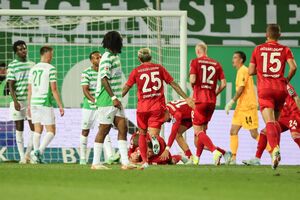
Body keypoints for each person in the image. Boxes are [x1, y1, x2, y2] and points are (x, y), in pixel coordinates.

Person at [122, 48, 194, 169]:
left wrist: (115, 98)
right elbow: (173, 84)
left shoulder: (136, 71)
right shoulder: (159, 68)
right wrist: (186, 97)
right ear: (151, 57)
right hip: (157, 108)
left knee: (143, 135)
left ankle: (145, 161)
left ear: (139, 59)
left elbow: (126, 88)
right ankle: (166, 157)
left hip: (142, 109)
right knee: (153, 138)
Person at [248, 24, 297, 169]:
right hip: (280, 88)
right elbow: (293, 67)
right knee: (275, 121)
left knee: (269, 122)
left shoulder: (258, 49)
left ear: (266, 35)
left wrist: (263, 70)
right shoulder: (285, 49)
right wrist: (286, 79)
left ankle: (275, 150)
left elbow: (251, 71)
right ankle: (275, 154)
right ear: (279, 35)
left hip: (265, 89)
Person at [91, 31, 135, 170]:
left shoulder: (114, 57)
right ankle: (95, 163)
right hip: (107, 100)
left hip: (116, 100)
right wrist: (113, 97)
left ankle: (125, 163)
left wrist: (117, 98)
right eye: (120, 40)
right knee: (104, 130)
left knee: (123, 127)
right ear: (115, 42)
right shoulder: (106, 58)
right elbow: (104, 78)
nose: (122, 42)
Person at [190, 42, 232, 165]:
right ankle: (197, 159)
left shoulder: (195, 62)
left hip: (199, 100)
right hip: (211, 101)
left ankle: (216, 151)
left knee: (198, 132)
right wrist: (215, 94)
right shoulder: (216, 63)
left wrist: (193, 86)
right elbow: (223, 84)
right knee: (202, 132)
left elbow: (192, 79)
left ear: (198, 51)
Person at [224, 51, 267, 164]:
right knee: (233, 131)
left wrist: (231, 101)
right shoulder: (240, 71)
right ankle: (233, 159)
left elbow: (241, 88)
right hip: (240, 107)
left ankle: (273, 152)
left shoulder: (243, 70)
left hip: (248, 106)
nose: (232, 60)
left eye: (235, 57)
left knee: (254, 134)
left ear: (241, 60)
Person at [243, 83, 300, 165]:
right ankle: (257, 159)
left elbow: (296, 98)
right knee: (264, 132)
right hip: (282, 117)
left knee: (295, 135)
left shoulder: (286, 85)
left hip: (292, 114)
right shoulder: (271, 87)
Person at [79, 51, 119, 165]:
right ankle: (83, 158)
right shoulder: (86, 72)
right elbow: (85, 90)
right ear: (92, 60)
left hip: (101, 106)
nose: (100, 59)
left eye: (100, 57)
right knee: (85, 131)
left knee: (104, 129)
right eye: (97, 58)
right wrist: (94, 101)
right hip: (89, 107)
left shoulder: (104, 72)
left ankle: (110, 156)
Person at [28, 46, 64, 163]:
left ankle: (35, 159)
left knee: (37, 130)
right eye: (51, 54)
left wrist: (29, 105)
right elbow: (53, 89)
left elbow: (29, 89)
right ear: (47, 54)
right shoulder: (51, 69)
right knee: (51, 131)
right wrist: (60, 105)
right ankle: (38, 152)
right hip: (44, 102)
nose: (52, 56)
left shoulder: (33, 69)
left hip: (34, 102)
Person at [7, 40, 35, 163]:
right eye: (20, 49)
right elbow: (11, 86)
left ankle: (28, 155)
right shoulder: (12, 65)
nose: (23, 51)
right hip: (18, 101)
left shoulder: (32, 64)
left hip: (30, 102)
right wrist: (15, 101)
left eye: (24, 48)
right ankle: (22, 157)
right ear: (16, 52)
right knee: (19, 128)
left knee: (34, 129)